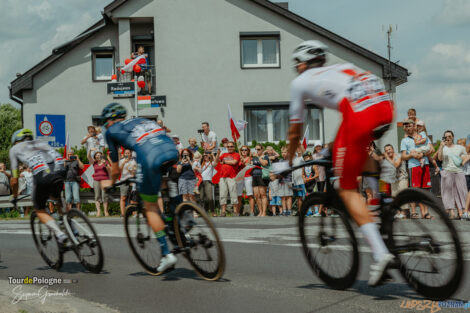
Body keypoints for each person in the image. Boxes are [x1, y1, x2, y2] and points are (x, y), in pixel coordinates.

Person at [287, 40, 395, 286]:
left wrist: (287, 160)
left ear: (302, 64)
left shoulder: (300, 82)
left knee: (345, 187)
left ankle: (380, 254)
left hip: (359, 116)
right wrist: (332, 148)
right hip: (384, 107)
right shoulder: (342, 67)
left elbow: (295, 131)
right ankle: (384, 199)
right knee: (354, 145)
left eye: (296, 64)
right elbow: (346, 123)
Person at [101, 102, 179, 272]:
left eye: (105, 122)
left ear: (110, 120)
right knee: (168, 186)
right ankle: (182, 224)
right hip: (171, 149)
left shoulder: (110, 131)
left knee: (149, 205)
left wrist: (111, 183)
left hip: (150, 156)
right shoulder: (141, 120)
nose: (104, 126)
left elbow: (115, 169)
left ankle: (167, 254)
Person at [9, 129, 68, 245]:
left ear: (16, 141)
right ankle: (72, 227)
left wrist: (14, 195)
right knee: (57, 197)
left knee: (39, 208)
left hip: (43, 174)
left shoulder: (14, 149)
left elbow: (14, 180)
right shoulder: (40, 142)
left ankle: (60, 234)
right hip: (61, 170)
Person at [401, 119, 431, 219]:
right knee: (417, 190)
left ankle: (426, 211)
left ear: (414, 126)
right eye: (406, 126)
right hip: (414, 167)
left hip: (425, 164)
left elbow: (431, 149)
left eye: (410, 126)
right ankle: (422, 212)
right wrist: (412, 155)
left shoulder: (423, 135)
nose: (408, 128)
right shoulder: (404, 140)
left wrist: (422, 154)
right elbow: (404, 156)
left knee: (425, 190)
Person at [437, 130, 468, 219]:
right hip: (447, 170)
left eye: (449, 136)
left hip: (459, 171)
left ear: (453, 137)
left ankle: (462, 212)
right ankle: (451, 212)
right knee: (447, 193)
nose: (448, 138)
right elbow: (439, 158)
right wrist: (441, 147)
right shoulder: (443, 148)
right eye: (446, 137)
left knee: (462, 192)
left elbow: (465, 156)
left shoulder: (460, 147)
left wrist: (462, 161)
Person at [215, 142, 240, 216]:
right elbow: (217, 161)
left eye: (231, 146)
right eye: (228, 147)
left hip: (232, 176)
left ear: (234, 147)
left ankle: (235, 211)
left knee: (233, 193)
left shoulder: (236, 154)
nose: (230, 148)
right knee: (223, 193)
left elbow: (234, 162)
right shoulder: (224, 154)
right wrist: (218, 153)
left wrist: (225, 161)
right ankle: (223, 211)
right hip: (222, 176)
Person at [251, 144, 269, 216]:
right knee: (256, 195)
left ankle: (264, 212)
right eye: (256, 149)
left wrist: (258, 157)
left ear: (262, 150)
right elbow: (251, 166)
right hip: (254, 176)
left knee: (263, 195)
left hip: (262, 176)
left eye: (258, 149)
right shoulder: (253, 158)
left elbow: (264, 163)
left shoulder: (265, 156)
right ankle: (260, 211)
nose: (257, 151)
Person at [91, 151, 111, 217]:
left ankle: (105, 211)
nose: (98, 156)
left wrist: (105, 164)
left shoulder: (105, 162)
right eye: (97, 155)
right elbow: (88, 157)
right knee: (97, 196)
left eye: (99, 155)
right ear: (95, 157)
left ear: (102, 156)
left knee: (104, 196)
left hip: (104, 180)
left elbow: (110, 170)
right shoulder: (94, 163)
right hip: (96, 180)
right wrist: (90, 151)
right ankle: (98, 211)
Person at [237, 145, 255, 216]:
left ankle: (252, 212)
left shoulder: (251, 158)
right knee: (239, 195)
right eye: (242, 150)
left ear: (248, 151)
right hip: (240, 177)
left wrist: (247, 160)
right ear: (240, 151)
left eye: (245, 150)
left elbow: (249, 166)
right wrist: (240, 161)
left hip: (248, 177)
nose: (244, 151)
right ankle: (237, 212)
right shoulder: (238, 158)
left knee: (250, 195)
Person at [118, 149, 137, 217]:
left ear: (130, 154)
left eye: (128, 153)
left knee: (132, 198)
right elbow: (119, 171)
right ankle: (123, 213)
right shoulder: (121, 161)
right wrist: (124, 163)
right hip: (123, 180)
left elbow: (134, 172)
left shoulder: (133, 161)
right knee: (123, 197)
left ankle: (133, 213)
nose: (127, 154)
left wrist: (132, 171)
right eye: (126, 153)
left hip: (131, 180)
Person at [199, 152, 216, 216]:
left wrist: (212, 155)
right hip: (201, 181)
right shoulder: (201, 163)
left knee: (210, 197)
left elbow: (215, 163)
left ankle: (212, 211)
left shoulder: (211, 163)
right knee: (201, 197)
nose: (205, 157)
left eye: (206, 155)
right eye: (204, 156)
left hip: (208, 181)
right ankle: (202, 212)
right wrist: (201, 157)